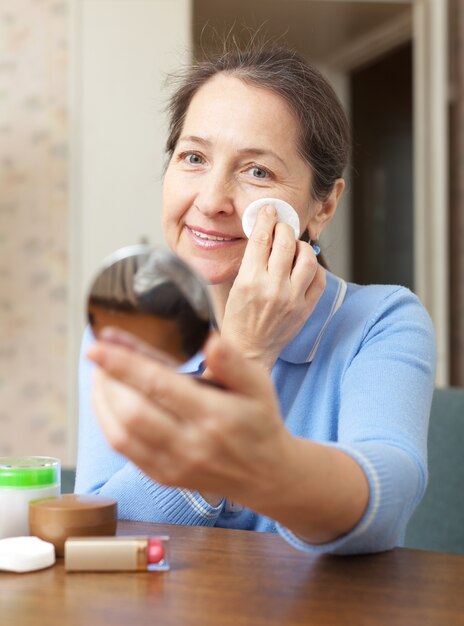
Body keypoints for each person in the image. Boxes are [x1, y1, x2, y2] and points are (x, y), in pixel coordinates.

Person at [75, 43, 436, 555]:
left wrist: (242, 365)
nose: (212, 200)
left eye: (257, 172)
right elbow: (104, 534)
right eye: (194, 158)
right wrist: (244, 353)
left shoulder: (381, 321)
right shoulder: (123, 324)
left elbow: (385, 504)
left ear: (323, 206)